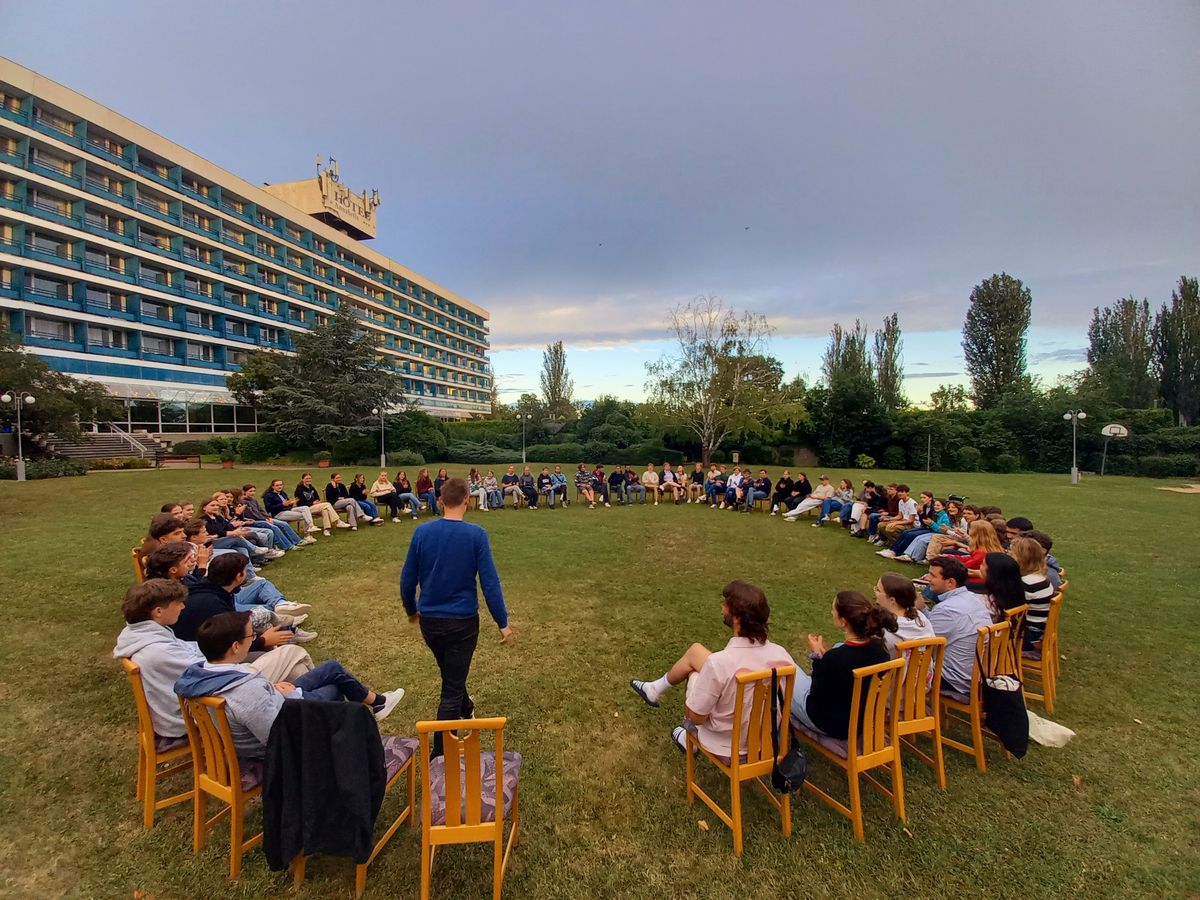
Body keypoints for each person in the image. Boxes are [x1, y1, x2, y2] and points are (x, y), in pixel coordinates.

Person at [175, 611, 403, 758]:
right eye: (250, 637)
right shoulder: (246, 692)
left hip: (275, 703)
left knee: (331, 669)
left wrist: (274, 691)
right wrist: (291, 696)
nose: (253, 640)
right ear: (235, 647)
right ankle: (347, 749)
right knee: (334, 689)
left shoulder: (199, 676)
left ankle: (379, 703)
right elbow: (279, 737)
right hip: (277, 732)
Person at [400, 478, 513, 757]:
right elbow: (490, 583)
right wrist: (503, 622)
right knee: (450, 690)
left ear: (440, 500)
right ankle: (440, 757)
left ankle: (466, 707)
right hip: (462, 624)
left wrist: (412, 610)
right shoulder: (476, 535)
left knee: (451, 673)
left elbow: (407, 580)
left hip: (430, 622)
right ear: (467, 500)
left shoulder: (422, 532)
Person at [630, 580, 796, 755]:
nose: (722, 607)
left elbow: (695, 717)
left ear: (738, 617)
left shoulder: (719, 664)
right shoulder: (782, 656)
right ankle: (654, 689)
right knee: (697, 653)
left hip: (727, 747)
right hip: (767, 743)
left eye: (726, 604)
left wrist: (694, 688)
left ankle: (688, 739)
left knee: (695, 676)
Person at [790, 591, 896, 739]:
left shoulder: (836, 658)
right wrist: (825, 658)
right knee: (838, 646)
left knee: (787, 668)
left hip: (830, 723)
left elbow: (816, 696)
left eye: (833, 609)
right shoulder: (880, 649)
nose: (831, 612)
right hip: (863, 719)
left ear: (843, 621)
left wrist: (817, 656)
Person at [924, 556, 995, 696]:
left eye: (932, 575)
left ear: (950, 582)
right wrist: (922, 610)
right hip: (976, 675)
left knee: (900, 659)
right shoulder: (973, 599)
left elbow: (924, 643)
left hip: (954, 680)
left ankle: (900, 705)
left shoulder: (946, 609)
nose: (927, 578)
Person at [873, 573, 935, 660]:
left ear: (892, 600)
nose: (875, 591)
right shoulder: (921, 618)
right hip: (924, 668)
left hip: (894, 668)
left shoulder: (884, 630)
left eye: (878, 590)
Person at [1009, 536, 1055, 648]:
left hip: (1028, 635)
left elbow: (1011, 610)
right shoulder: (1041, 578)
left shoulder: (1027, 583)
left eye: (1011, 554)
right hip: (1038, 630)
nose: (1008, 556)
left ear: (1021, 559)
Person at [198, 498, 278, 559]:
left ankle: (250, 572)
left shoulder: (218, 517)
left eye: (217, 505)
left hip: (223, 538)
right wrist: (233, 533)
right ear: (204, 508)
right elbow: (214, 532)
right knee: (236, 537)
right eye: (212, 505)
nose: (215, 507)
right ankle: (255, 549)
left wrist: (237, 530)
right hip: (212, 543)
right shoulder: (203, 519)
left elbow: (227, 526)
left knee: (243, 550)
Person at [240, 484, 314, 548]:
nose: (252, 493)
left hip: (266, 518)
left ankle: (297, 541)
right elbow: (253, 515)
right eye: (250, 491)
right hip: (256, 521)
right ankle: (288, 545)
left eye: (254, 491)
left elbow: (261, 510)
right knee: (275, 527)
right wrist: (265, 519)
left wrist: (268, 517)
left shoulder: (254, 500)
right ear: (244, 492)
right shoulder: (244, 502)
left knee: (284, 524)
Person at [979, 552, 1028, 622]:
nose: (980, 566)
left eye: (983, 564)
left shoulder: (987, 603)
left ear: (992, 573)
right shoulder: (1014, 595)